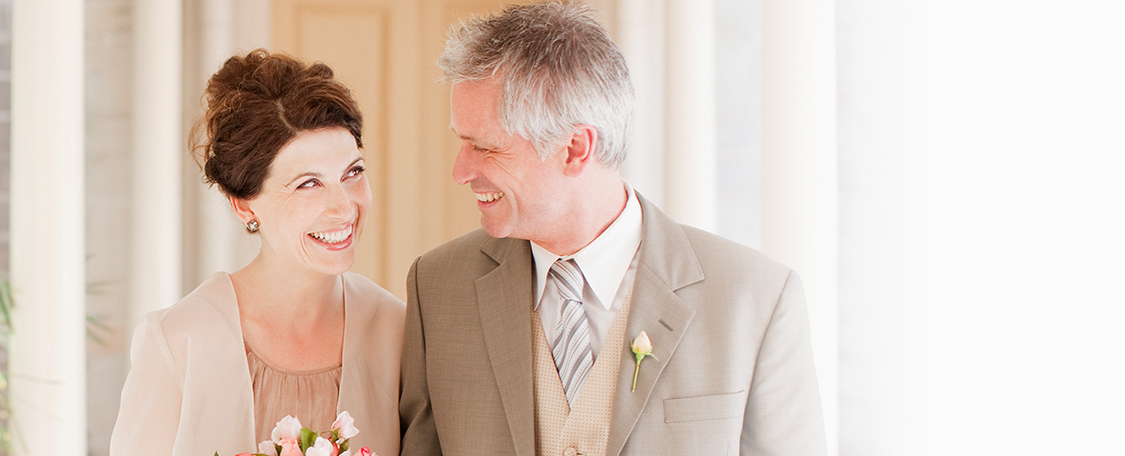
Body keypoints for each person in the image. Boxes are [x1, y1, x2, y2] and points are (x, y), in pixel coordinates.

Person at [398, 2, 826, 456]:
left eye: (485, 148)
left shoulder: (756, 299)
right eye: (461, 142)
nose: (460, 171)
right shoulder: (438, 287)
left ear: (575, 148)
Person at [111, 49, 404, 456]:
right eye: (308, 184)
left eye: (353, 172)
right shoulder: (179, 341)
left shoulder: (398, 332)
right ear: (244, 205)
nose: (344, 207)